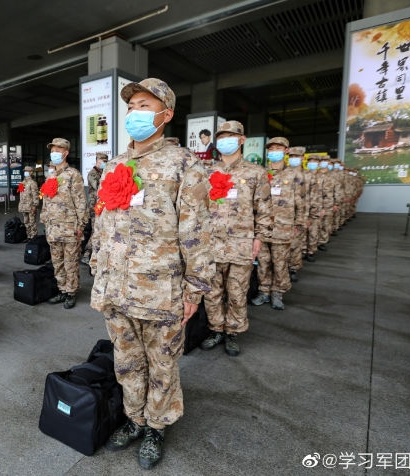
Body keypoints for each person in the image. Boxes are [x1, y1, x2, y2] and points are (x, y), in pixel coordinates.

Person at [90, 79, 214, 469]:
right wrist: (96, 264)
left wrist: (194, 291)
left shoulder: (184, 165)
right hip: (114, 286)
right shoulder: (115, 164)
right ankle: (134, 419)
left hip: (160, 289)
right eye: (131, 107)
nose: (135, 113)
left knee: (162, 363)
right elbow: (103, 222)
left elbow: (195, 232)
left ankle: (157, 426)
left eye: (144, 105)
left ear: (166, 114)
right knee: (126, 360)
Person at [200, 121, 271, 355]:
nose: (225, 141)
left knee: (237, 292)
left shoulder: (256, 173)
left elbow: (263, 208)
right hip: (212, 244)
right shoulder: (207, 171)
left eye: (231, 136)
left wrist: (260, 237)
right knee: (212, 291)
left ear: (242, 139)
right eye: (221, 137)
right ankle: (216, 328)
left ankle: (232, 332)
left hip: (242, 244)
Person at [250, 138, 305, 310]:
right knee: (263, 261)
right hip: (263, 227)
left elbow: (301, 202)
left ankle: (277, 293)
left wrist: (299, 224)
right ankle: (264, 291)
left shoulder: (295, 175)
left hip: (284, 226)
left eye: (278, 148)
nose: (274, 151)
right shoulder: (260, 173)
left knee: (280, 263)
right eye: (272, 149)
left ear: (286, 151)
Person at [41, 138, 88, 310]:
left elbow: (81, 203)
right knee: (57, 261)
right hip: (53, 228)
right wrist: (45, 220)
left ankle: (71, 292)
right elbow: (46, 200)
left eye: (58, 150)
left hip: (69, 228)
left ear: (66, 153)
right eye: (52, 150)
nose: (54, 153)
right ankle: (62, 289)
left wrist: (80, 226)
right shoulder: (50, 175)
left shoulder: (73, 175)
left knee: (70, 262)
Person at [81, 152, 108, 264]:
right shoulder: (93, 174)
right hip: (94, 207)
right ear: (97, 160)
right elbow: (99, 188)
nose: (104, 163)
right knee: (95, 231)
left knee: (99, 230)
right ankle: (87, 254)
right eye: (102, 161)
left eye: (105, 161)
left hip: (103, 205)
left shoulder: (103, 173)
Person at [286, 147, 307, 282]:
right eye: (291, 155)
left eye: (297, 156)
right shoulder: (280, 173)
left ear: (302, 158)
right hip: (281, 215)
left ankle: (293, 268)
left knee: (295, 244)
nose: (294, 158)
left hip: (298, 214)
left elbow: (306, 198)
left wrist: (304, 217)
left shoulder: (305, 175)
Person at [304, 155, 325, 263]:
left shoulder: (323, 177)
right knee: (302, 232)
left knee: (313, 231)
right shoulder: (303, 175)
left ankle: (310, 252)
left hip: (317, 208)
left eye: (315, 161)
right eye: (310, 161)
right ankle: (302, 251)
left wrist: (324, 208)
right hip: (304, 208)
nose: (312, 163)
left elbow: (326, 194)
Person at [317, 156, 335, 252]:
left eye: (325, 160)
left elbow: (336, 190)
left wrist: (336, 203)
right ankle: (313, 243)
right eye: (321, 160)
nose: (323, 162)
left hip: (328, 203)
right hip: (316, 203)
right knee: (315, 225)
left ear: (328, 162)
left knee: (325, 224)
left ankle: (322, 242)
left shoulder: (332, 176)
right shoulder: (315, 174)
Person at [18, 166, 39, 239]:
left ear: (31, 172)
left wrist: (35, 205)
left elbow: (35, 194)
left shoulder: (32, 183)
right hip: (24, 206)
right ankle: (28, 236)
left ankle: (34, 237)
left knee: (32, 222)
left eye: (27, 171)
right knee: (26, 222)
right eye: (25, 171)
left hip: (30, 206)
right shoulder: (23, 182)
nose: (25, 172)